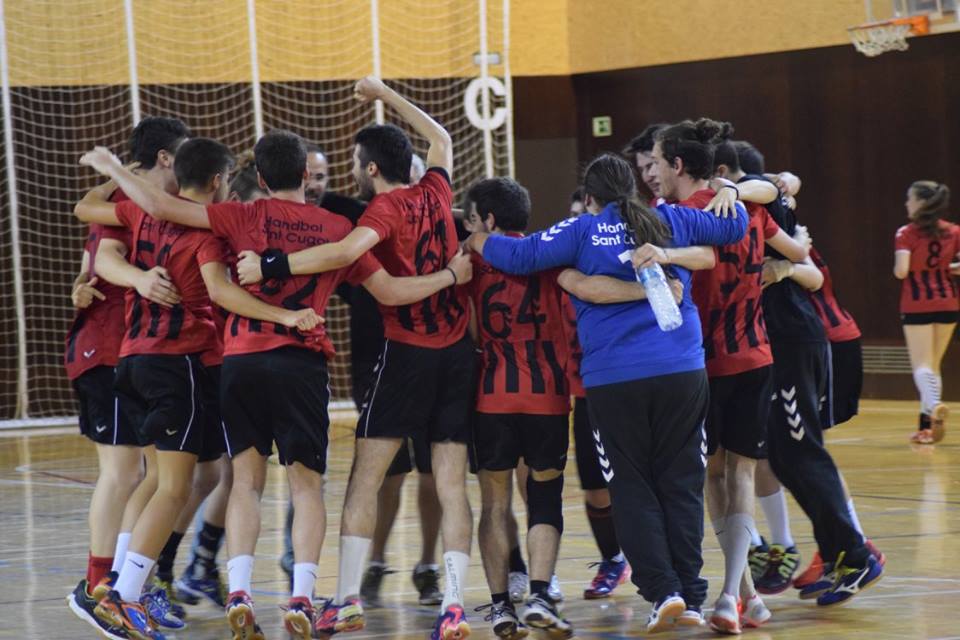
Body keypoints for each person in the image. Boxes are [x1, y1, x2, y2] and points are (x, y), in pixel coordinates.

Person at [80, 128, 471, 640]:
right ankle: (303, 599)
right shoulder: (336, 224)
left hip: (237, 361)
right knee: (307, 487)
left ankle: (238, 588)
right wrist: (449, 275)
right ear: (307, 176)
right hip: (303, 364)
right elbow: (386, 289)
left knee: (244, 481)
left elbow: (160, 206)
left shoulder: (239, 216)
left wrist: (113, 168)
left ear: (258, 177)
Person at [234, 78, 475, 640]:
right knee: (450, 483)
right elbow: (439, 136)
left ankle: (344, 602)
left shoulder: (381, 213)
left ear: (370, 170)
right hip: (458, 353)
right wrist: (385, 95)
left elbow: (372, 278)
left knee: (365, 480)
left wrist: (272, 267)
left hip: (408, 355)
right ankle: (456, 607)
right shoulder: (437, 190)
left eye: (352, 163)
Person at [466, 153, 747, 634]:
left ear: (590, 195)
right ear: (635, 187)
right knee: (681, 484)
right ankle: (693, 595)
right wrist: (732, 190)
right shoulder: (669, 218)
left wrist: (477, 237)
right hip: (682, 369)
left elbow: (521, 255)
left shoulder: (581, 231)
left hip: (616, 379)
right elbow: (733, 227)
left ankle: (663, 592)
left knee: (632, 486)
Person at [735, 140, 884, 607]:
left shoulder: (763, 208)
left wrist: (777, 268)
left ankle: (856, 552)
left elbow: (811, 272)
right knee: (784, 455)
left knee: (802, 452)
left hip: (802, 341)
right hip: (778, 344)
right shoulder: (762, 205)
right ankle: (840, 551)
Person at [66, 116, 190, 639]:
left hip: (143, 350)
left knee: (153, 477)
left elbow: (92, 252)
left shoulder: (148, 200)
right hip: (108, 348)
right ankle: (96, 588)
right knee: (123, 472)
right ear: (165, 157)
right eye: (180, 153)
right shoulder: (128, 200)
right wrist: (137, 278)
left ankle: (124, 583)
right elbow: (105, 255)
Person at [462, 177, 572, 639]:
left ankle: (501, 606)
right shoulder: (549, 255)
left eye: (471, 219)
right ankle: (542, 595)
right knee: (544, 499)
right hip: (547, 395)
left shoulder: (471, 259)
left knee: (494, 503)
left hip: (492, 398)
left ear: (488, 220)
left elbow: (468, 330)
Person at [893, 181, 957, 444]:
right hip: (949, 302)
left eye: (910, 199)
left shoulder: (906, 233)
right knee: (932, 367)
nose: (907, 203)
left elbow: (901, 271)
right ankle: (927, 429)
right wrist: (948, 267)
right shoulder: (953, 231)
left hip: (917, 303)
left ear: (921, 202)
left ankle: (935, 406)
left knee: (921, 367)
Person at [623, 123, 667, 199]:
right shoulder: (654, 207)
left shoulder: (691, 206)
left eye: (650, 166)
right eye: (641, 170)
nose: (646, 178)